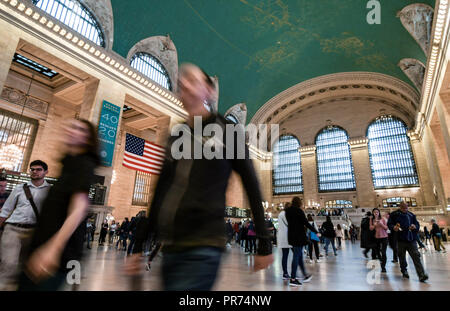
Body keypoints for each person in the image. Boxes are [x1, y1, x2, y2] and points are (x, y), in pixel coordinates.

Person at [125, 63, 273, 291]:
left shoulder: (228, 132)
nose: (184, 84)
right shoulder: (176, 135)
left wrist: (264, 242)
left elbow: (252, 185)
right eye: (181, 82)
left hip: (203, 245)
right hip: (171, 246)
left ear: (209, 91)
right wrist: (139, 244)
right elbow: (161, 190)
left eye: (192, 80)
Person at [18, 118, 100, 290]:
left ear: (88, 139)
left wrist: (52, 249)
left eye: (80, 129)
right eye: (72, 126)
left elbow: (78, 209)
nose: (72, 130)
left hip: (57, 255)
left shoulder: (84, 164)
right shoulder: (68, 165)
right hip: (41, 247)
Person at [0, 160, 51, 290]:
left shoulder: (49, 191)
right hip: (13, 228)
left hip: (33, 231)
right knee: (9, 263)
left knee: (25, 265)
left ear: (46, 172)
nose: (34, 172)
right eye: (32, 169)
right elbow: (6, 209)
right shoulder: (19, 188)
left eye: (38, 169)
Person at [387, 202, 428, 282]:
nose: (405, 210)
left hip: (411, 239)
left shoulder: (411, 215)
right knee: (402, 257)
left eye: (406, 208)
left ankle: (421, 275)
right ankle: (404, 270)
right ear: (400, 207)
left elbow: (416, 224)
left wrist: (414, 226)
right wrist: (393, 227)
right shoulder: (394, 214)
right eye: (403, 208)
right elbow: (390, 224)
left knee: (416, 256)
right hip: (400, 239)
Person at [285, 197, 318, 286]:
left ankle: (305, 275)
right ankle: (293, 279)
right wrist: (315, 231)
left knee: (299, 256)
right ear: (299, 203)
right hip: (298, 237)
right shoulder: (299, 211)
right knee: (296, 257)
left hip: (291, 236)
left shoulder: (287, 211)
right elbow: (306, 223)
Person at [369, 208, 388, 273]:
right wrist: (374, 224)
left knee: (383, 252)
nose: (376, 213)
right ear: (373, 213)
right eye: (374, 212)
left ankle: (383, 267)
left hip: (384, 237)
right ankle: (381, 260)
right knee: (378, 253)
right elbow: (371, 228)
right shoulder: (372, 219)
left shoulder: (383, 219)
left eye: (377, 212)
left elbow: (386, 228)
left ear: (379, 213)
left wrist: (381, 224)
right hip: (377, 238)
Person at [276, 204, 292, 279]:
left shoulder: (280, 214)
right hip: (288, 237)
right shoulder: (286, 214)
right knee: (296, 254)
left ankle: (285, 273)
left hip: (282, 237)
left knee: (284, 256)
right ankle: (289, 273)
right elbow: (290, 224)